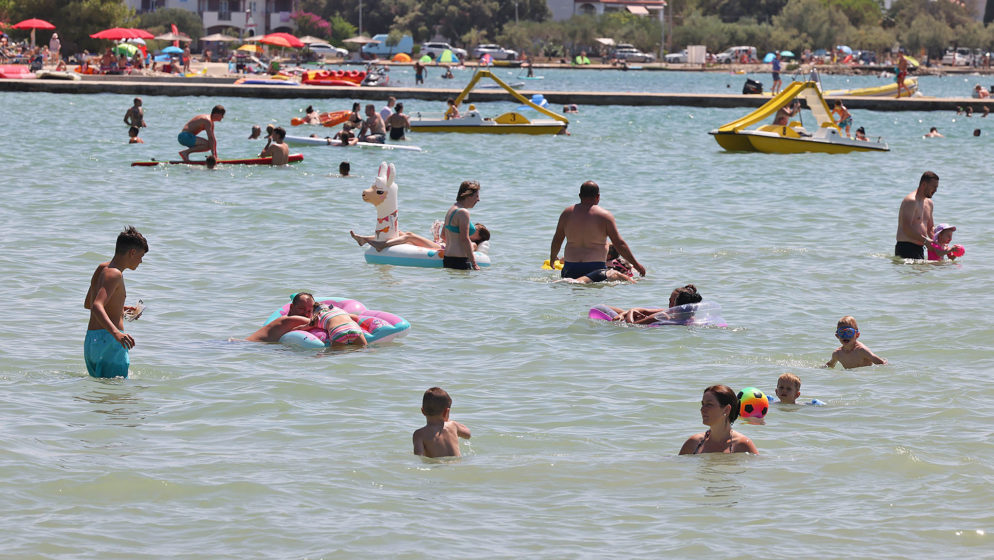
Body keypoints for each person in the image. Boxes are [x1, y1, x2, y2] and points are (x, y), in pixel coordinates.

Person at [83, 226, 148, 378]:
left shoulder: (103, 268)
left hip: (93, 342)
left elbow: (89, 303)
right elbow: (96, 306)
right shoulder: (115, 274)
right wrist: (116, 333)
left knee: (101, 395)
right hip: (110, 342)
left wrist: (122, 309)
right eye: (141, 256)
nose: (141, 261)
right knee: (117, 398)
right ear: (132, 252)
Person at [549, 180, 646, 283]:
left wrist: (552, 258)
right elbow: (619, 244)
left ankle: (576, 280)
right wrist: (636, 265)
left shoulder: (566, 213)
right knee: (619, 277)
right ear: (598, 196)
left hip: (569, 270)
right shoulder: (604, 215)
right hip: (595, 270)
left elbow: (557, 239)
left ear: (580, 196)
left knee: (573, 283)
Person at [679, 385, 759, 455]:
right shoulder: (693, 443)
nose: (702, 409)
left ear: (726, 409)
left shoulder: (742, 445)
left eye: (709, 405)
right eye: (703, 404)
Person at [351, 223, 489, 253]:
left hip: (442, 249)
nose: (471, 229)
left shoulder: (473, 244)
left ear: (479, 237)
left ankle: (382, 245)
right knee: (398, 232)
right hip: (440, 246)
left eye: (475, 230)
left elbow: (461, 249)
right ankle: (363, 239)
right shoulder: (463, 238)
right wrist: (437, 237)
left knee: (409, 235)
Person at [413, 387, 471, 458]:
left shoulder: (419, 434)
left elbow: (419, 456)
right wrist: (451, 421)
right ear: (447, 411)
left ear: (422, 411)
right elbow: (468, 434)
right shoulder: (453, 425)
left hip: (438, 467)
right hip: (457, 465)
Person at [895, 170, 938, 259]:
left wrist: (940, 244)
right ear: (924, 185)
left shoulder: (929, 203)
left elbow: (930, 229)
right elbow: (906, 228)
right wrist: (926, 241)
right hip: (906, 248)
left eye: (937, 187)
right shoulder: (911, 201)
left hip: (920, 248)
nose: (935, 190)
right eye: (933, 187)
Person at [604, 284, 703, 323]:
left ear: (676, 304)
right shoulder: (693, 320)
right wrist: (622, 314)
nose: (670, 303)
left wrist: (631, 311)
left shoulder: (663, 316)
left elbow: (632, 326)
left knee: (603, 308)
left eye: (672, 301)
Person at [441, 181, 483, 270]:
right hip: (460, 261)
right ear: (469, 196)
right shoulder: (463, 212)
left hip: (447, 259)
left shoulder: (451, 210)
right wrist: (474, 264)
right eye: (477, 196)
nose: (478, 200)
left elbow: (443, 235)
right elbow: (464, 238)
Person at [246, 293, 316, 342]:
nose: (306, 313)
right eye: (301, 308)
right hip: (246, 346)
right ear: (291, 307)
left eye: (310, 311)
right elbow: (319, 322)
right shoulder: (290, 319)